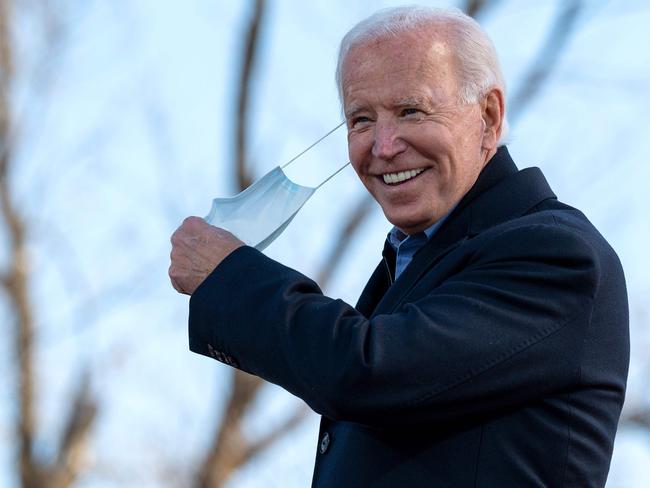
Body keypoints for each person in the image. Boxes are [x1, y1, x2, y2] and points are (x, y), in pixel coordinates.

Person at [169, 6, 629, 487]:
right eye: (361, 119)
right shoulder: (413, 259)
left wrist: (230, 278)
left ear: (488, 117)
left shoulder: (554, 253)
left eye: (411, 110)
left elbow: (369, 371)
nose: (383, 146)